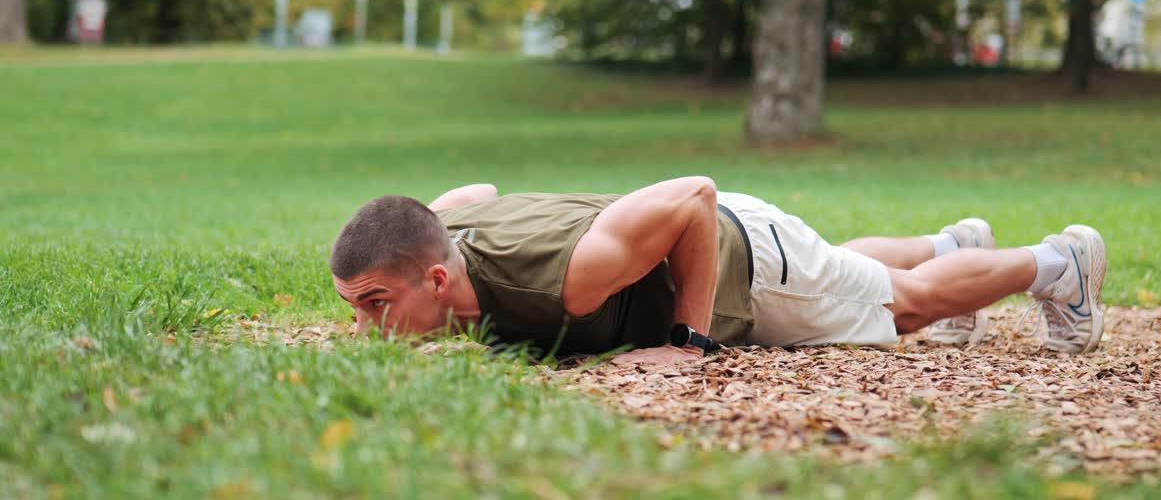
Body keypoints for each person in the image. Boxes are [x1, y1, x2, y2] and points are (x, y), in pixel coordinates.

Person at [329, 177, 1105, 364]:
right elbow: (475, 195)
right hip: (755, 239)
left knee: (900, 309)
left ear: (435, 281)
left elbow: (692, 197)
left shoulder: (561, 278)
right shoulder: (445, 236)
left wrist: (688, 342)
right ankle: (950, 245)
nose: (364, 327)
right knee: (834, 268)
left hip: (743, 260)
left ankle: (1057, 265)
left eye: (374, 306)